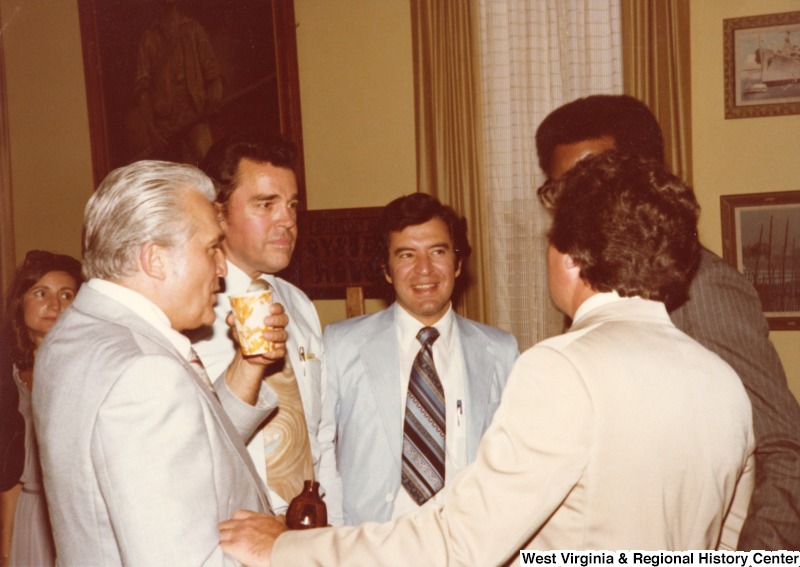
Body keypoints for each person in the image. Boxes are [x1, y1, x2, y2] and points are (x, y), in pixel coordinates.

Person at [218, 151, 755, 565]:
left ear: (571, 256)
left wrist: (286, 549)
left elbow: (461, 542)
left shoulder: (563, 368)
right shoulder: (723, 382)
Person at [534, 94, 800, 551]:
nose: (580, 206)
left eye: (596, 182)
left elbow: (784, 448)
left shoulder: (703, 288)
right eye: (564, 190)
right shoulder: (590, 285)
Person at [32, 161, 286, 566]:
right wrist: (283, 550)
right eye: (210, 249)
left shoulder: (73, 333)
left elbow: (194, 444)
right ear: (154, 259)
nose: (222, 269)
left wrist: (250, 364)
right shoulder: (143, 373)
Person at [321, 193, 518, 525]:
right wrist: (337, 537)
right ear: (386, 270)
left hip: (466, 543)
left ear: (457, 264)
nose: (424, 270)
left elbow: (512, 459)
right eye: (406, 255)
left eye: (437, 252)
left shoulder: (500, 350)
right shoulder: (341, 344)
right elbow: (321, 447)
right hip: (371, 543)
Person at [190, 133, 339, 520]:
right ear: (218, 213)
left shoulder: (298, 304)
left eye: (291, 205)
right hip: (230, 523)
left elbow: (320, 434)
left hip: (306, 524)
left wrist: (333, 530)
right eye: (265, 204)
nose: (287, 221)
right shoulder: (191, 311)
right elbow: (194, 443)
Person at [0, 251, 82, 567]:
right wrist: (6, 552)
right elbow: (9, 480)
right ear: (21, 304)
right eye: (41, 293)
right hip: (29, 515)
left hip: (72, 518)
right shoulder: (10, 376)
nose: (55, 304)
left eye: (67, 294)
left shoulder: (87, 369)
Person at [136, 0, 222, 164]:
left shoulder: (194, 30)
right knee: (170, 181)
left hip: (194, 114)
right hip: (165, 127)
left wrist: (214, 97)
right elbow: (142, 91)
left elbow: (213, 74)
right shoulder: (148, 39)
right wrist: (153, 132)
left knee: (209, 167)